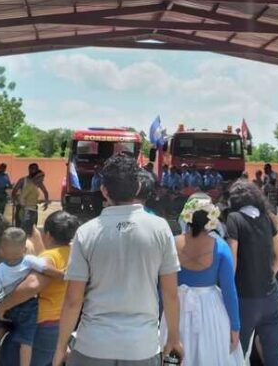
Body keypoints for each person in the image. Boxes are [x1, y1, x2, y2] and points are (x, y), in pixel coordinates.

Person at [52, 154, 183, 366]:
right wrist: (174, 339)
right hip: (142, 347)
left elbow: (73, 300)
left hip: (92, 346)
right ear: (139, 186)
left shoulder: (86, 233)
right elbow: (170, 294)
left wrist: (60, 347)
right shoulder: (160, 229)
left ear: (104, 190)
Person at [167, 197, 243, 365]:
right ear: (211, 221)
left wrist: (159, 316)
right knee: (210, 355)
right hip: (211, 310)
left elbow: (162, 287)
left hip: (176, 309)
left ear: (187, 217)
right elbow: (230, 291)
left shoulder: (171, 243)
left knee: (172, 357)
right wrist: (235, 327)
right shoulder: (221, 246)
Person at [225, 180, 278, 366]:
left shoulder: (234, 218)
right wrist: (270, 275)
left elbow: (231, 261)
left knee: (237, 351)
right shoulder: (267, 219)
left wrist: (227, 289)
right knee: (272, 351)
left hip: (245, 297)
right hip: (270, 296)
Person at [0, 227, 52, 366]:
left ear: (1, 250)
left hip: (8, 308)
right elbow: (45, 267)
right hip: (28, 307)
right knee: (26, 341)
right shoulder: (29, 260)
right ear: (23, 250)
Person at [13, 165, 50, 230]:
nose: (33, 171)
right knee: (21, 228)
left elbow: (45, 192)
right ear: (29, 169)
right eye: (32, 169)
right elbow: (15, 193)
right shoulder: (23, 181)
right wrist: (19, 203)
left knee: (32, 229)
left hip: (33, 208)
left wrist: (45, 202)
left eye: (35, 169)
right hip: (24, 209)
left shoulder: (38, 183)